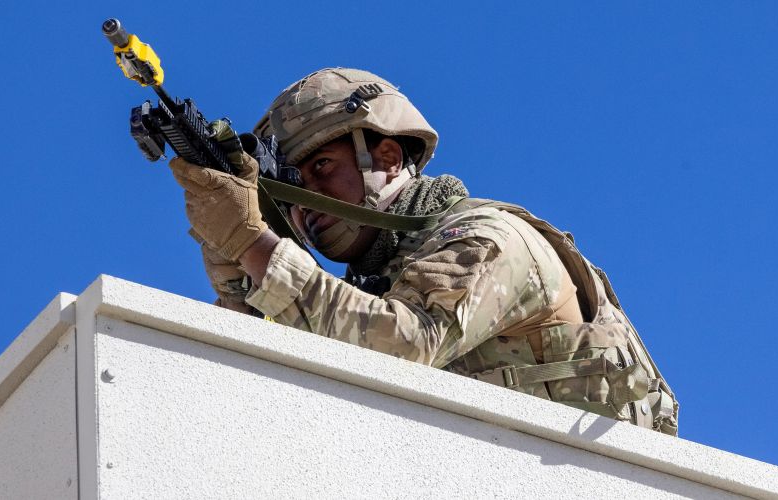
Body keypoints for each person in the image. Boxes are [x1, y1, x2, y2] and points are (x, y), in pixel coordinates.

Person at [169, 68, 679, 435]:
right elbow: (257, 371)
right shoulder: (379, 287)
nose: (307, 204)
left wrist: (251, 242)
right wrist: (230, 253)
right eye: (292, 191)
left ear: (387, 157)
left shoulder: (485, 237)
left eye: (322, 168)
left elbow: (410, 342)